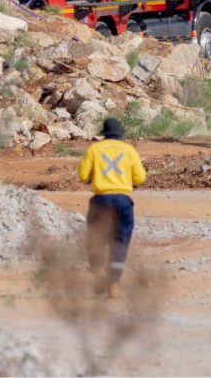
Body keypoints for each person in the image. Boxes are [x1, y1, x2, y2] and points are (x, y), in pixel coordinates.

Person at [79, 117, 146, 297]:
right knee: (120, 239)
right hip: (124, 200)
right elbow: (140, 178)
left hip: (101, 199)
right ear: (120, 134)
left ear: (104, 134)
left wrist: (92, 177)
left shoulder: (94, 149)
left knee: (95, 236)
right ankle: (114, 282)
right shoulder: (129, 150)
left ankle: (98, 270)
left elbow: (83, 175)